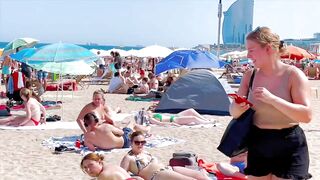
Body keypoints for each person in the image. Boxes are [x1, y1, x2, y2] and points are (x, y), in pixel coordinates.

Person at [229, 26, 312, 179]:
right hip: (258, 142)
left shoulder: (293, 75)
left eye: (251, 50)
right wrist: (238, 107)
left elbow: (306, 115)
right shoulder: (250, 75)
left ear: (268, 48)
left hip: (289, 143)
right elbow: (233, 113)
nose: (248, 55)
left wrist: (273, 100)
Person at [120, 131, 210, 180]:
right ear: (131, 143)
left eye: (143, 142)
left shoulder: (145, 152)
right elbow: (122, 175)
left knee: (200, 176)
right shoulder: (128, 158)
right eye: (137, 142)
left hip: (168, 168)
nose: (140, 144)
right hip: (158, 175)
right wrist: (136, 177)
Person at [83, 113, 150, 151]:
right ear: (96, 120)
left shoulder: (86, 137)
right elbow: (121, 133)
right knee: (132, 124)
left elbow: (92, 149)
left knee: (130, 129)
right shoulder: (105, 127)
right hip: (126, 141)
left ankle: (142, 131)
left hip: (119, 145)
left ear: (86, 124)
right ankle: (146, 129)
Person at [146, 108, 213, 126]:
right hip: (174, 120)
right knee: (193, 118)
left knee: (191, 110)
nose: (149, 112)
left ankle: (205, 119)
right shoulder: (151, 119)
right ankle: (206, 123)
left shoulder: (153, 115)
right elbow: (161, 124)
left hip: (174, 116)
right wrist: (172, 124)